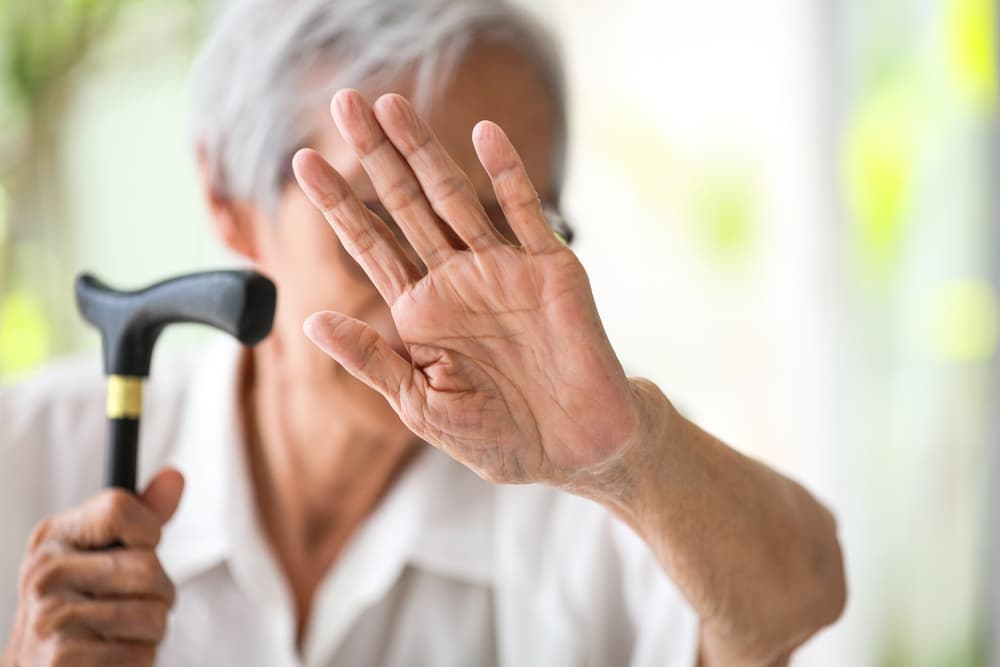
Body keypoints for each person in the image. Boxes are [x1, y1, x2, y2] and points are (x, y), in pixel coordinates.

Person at [0, 1, 846, 665]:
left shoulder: (598, 483)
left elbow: (803, 596)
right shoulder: (26, 453)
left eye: (496, 234)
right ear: (229, 200)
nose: (436, 305)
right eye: (383, 222)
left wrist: (626, 457)